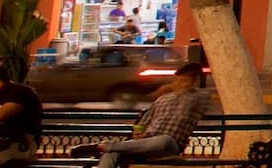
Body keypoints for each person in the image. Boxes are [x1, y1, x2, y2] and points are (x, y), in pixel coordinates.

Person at [69, 63, 213, 168]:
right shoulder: (162, 99)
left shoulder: (200, 97)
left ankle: (103, 146)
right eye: (177, 80)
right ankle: (105, 147)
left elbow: (202, 93)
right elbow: (143, 123)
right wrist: (138, 133)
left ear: (195, 81)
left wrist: (174, 87)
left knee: (162, 140)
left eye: (183, 80)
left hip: (169, 144)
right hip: (143, 143)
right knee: (112, 153)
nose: (178, 83)